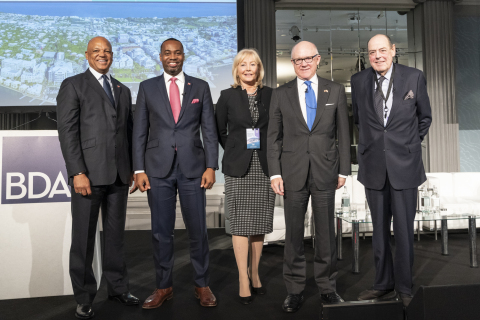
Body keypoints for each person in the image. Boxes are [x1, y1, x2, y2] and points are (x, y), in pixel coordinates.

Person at [131, 38, 219, 309]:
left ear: (184, 56)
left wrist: (211, 166)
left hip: (194, 169)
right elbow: (139, 131)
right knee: (161, 232)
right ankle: (163, 286)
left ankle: (202, 284)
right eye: (167, 53)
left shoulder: (200, 87)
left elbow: (209, 130)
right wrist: (138, 169)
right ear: (160, 57)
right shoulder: (147, 88)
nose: (173, 57)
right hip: (157, 169)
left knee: (198, 231)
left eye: (177, 53)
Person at [57, 36, 139, 320]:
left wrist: (133, 169)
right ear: (87, 55)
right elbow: (67, 133)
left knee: (115, 238)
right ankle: (83, 297)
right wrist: (77, 172)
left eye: (106, 51)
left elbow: (128, 134)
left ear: (112, 55)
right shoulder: (73, 85)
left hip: (118, 176)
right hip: (88, 176)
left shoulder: (123, 89)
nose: (102, 55)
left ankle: (118, 288)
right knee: (83, 239)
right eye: (96, 51)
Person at [267, 41, 351, 312]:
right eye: (297, 60)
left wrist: (344, 169)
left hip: (326, 171)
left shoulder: (335, 90)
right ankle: (294, 290)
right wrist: (275, 173)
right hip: (292, 173)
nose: (303, 63)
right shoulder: (281, 94)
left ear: (317, 60)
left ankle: (327, 287)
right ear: (292, 63)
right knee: (293, 236)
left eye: (307, 58)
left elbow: (343, 134)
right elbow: (273, 138)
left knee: (326, 233)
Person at [351, 34, 432, 307]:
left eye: (382, 50)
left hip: (405, 167)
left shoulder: (414, 77)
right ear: (368, 55)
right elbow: (359, 120)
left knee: (404, 232)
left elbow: (425, 117)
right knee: (379, 232)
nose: (378, 56)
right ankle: (382, 284)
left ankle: (405, 287)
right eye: (372, 52)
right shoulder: (359, 80)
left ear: (393, 51)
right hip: (373, 166)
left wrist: (407, 144)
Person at [215, 49, 275, 305]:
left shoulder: (271, 94)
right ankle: (242, 277)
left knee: (259, 223)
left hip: (264, 166)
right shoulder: (227, 96)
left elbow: (275, 129)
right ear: (237, 69)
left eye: (253, 65)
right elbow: (220, 130)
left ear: (259, 68)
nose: (248, 69)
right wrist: (235, 147)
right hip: (238, 166)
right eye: (243, 65)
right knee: (240, 223)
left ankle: (256, 273)